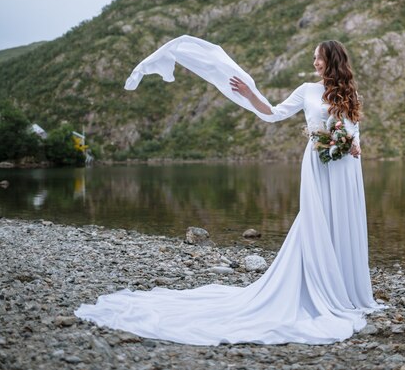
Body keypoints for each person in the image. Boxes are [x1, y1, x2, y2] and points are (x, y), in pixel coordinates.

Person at [75, 36, 383, 345]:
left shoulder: (350, 93)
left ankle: (345, 290)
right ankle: (316, 287)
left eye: (319, 57)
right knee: (316, 223)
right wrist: (250, 94)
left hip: (345, 168)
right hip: (318, 165)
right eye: (314, 58)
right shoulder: (307, 91)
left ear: (333, 60)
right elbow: (273, 113)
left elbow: (353, 128)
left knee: (342, 223)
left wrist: (354, 143)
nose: (315, 63)